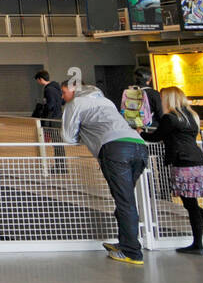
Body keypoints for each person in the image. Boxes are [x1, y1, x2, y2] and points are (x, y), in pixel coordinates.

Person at [141, 87, 203, 258]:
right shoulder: (190, 116)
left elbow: (156, 136)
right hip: (196, 162)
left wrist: (140, 132)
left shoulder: (170, 118)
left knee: (192, 206)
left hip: (183, 164)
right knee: (192, 205)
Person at [61, 74, 151, 265]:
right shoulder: (105, 101)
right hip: (139, 147)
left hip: (115, 150)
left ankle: (132, 252)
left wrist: (83, 136)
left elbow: (68, 138)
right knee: (125, 200)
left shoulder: (75, 104)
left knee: (125, 201)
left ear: (74, 89)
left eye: (64, 92)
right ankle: (126, 243)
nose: (62, 96)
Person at [35, 69, 67, 173]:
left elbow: (51, 104)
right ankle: (61, 166)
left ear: (40, 79)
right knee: (58, 143)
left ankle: (60, 167)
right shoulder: (57, 88)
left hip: (52, 119)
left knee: (57, 143)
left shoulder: (48, 89)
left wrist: (44, 109)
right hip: (58, 117)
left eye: (37, 80)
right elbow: (62, 102)